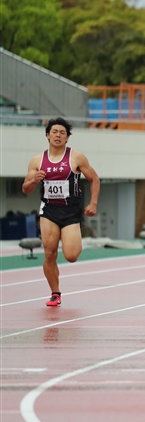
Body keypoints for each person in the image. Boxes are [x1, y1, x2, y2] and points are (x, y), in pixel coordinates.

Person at [22, 117, 100, 307]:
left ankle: (72, 244)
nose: (58, 135)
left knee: (71, 256)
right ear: (47, 135)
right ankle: (55, 293)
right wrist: (33, 181)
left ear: (67, 138)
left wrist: (93, 203)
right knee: (49, 253)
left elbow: (94, 179)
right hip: (48, 210)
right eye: (54, 132)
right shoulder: (37, 160)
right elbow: (25, 189)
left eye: (62, 133)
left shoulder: (76, 157)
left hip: (70, 211)